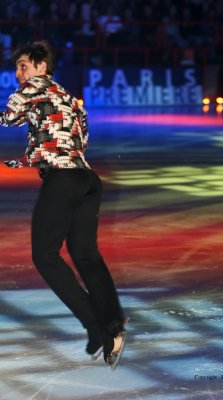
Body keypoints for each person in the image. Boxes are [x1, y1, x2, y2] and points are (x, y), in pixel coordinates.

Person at [0, 40, 126, 370]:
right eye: (17, 68)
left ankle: (96, 327)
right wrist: (29, 158)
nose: (18, 73)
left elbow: (9, 117)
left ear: (42, 66)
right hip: (87, 180)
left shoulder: (33, 87)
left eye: (24, 65)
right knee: (85, 253)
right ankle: (113, 325)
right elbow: (81, 138)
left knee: (44, 255)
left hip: (63, 181)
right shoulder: (69, 97)